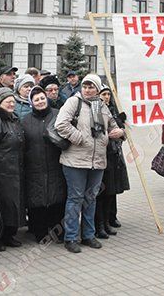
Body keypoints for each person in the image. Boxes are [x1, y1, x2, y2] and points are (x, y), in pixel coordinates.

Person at [56, 74, 123, 253]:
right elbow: (61, 124)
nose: (87, 90)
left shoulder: (101, 106)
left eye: (91, 87)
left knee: (91, 199)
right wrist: (80, 138)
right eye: (85, 86)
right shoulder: (73, 102)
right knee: (75, 198)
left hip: (98, 161)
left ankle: (88, 235)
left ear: (98, 89)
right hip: (75, 161)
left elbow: (111, 125)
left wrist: (118, 131)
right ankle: (70, 237)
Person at [21, 86, 67, 242]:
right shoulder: (26, 120)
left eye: (42, 98)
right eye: (36, 100)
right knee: (37, 201)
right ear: (31, 103)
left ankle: (58, 232)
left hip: (56, 163)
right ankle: (39, 232)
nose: (40, 102)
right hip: (34, 165)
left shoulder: (57, 114)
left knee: (57, 199)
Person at [0, 87, 25, 250]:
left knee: (13, 205)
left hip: (15, 170)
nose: (11, 104)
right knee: (0, 206)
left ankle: (9, 235)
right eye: (7, 101)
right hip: (1, 172)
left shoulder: (13, 119)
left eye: (13, 101)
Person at [95, 86, 130, 238]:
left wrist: (122, 129)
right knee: (101, 194)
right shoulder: (95, 110)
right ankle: (100, 224)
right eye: (104, 94)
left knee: (111, 191)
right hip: (101, 156)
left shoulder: (113, 110)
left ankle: (109, 220)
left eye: (109, 94)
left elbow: (124, 135)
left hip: (114, 156)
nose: (107, 97)